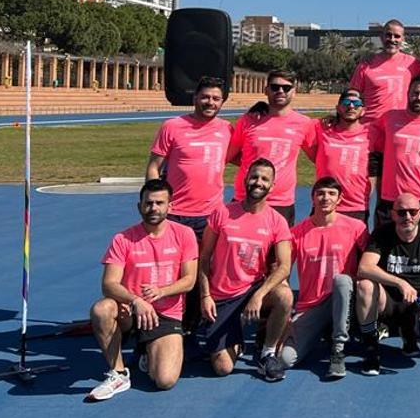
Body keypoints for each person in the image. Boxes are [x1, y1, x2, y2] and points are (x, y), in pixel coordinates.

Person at [87, 180, 198, 400]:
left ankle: (147, 352)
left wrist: (162, 291)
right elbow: (109, 284)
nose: (153, 208)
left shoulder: (184, 234)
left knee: (165, 380)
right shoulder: (123, 239)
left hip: (166, 315)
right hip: (131, 312)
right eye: (148, 203)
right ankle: (118, 373)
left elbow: (189, 280)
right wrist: (136, 300)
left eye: (159, 203)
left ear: (170, 206)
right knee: (102, 309)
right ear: (140, 206)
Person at [198, 159, 294, 381]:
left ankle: (267, 354)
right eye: (254, 177)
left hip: (252, 289)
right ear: (245, 179)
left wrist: (259, 295)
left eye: (264, 179)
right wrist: (205, 295)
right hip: (222, 296)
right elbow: (203, 258)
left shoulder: (277, 221)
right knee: (223, 368)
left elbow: (285, 265)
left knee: (285, 296)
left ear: (272, 186)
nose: (258, 182)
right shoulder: (222, 213)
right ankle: (234, 339)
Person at [279, 178, 369, 378]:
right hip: (311, 305)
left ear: (339, 199)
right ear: (312, 198)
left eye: (331, 194)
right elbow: (283, 272)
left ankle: (337, 349)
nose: (325, 198)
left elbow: (370, 265)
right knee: (285, 359)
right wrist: (284, 313)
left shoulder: (356, 228)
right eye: (320, 193)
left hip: (346, 299)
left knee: (342, 281)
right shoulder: (297, 233)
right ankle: (322, 331)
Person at [355, 195, 420, 374]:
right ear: (393, 214)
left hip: (415, 304)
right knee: (365, 286)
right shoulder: (382, 234)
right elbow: (364, 268)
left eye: (412, 212)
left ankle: (408, 332)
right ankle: (370, 348)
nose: (407, 217)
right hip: (386, 300)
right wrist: (399, 282)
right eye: (402, 212)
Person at [145, 75, 232, 242]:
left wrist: (259, 113)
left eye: (216, 98)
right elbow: (154, 167)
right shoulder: (172, 126)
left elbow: (247, 157)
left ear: (222, 102)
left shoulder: (227, 129)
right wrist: (156, 201)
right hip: (174, 213)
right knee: (172, 266)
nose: (210, 102)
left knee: (206, 265)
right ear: (195, 98)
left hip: (210, 214)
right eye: (205, 97)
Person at [225, 69, 316, 226]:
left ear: (294, 92)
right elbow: (228, 155)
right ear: (266, 90)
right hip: (245, 197)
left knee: (278, 251)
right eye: (275, 87)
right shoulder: (248, 119)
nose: (280, 91)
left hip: (281, 203)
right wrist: (251, 163)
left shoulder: (304, 124)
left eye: (286, 88)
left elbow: (320, 157)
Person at [372, 75, 420, 228]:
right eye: (415, 93)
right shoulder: (389, 118)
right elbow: (362, 133)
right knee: (384, 250)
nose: (419, 97)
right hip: (390, 199)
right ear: (408, 92)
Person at [310, 88, 375, 222]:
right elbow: (291, 121)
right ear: (338, 108)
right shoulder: (321, 128)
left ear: (363, 110)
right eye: (346, 102)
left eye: (356, 103)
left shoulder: (373, 133)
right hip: (325, 204)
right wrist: (262, 109)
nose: (351, 106)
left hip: (356, 207)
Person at [348, 18, 419, 127]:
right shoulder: (366, 64)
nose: (392, 39)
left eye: (397, 36)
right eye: (388, 35)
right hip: (369, 128)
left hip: (398, 128)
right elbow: (352, 95)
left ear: (403, 39)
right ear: (381, 37)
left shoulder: (413, 63)